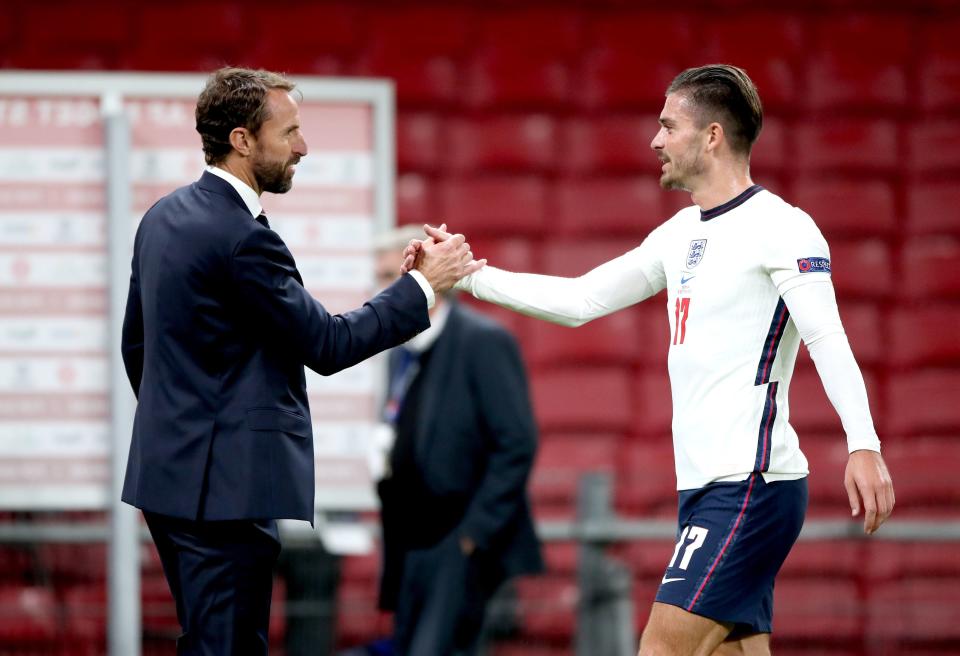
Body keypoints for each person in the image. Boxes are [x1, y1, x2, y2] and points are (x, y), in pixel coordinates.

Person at [404, 64, 895, 656]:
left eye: (668, 126)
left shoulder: (784, 228)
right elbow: (581, 299)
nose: (655, 141)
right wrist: (469, 276)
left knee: (659, 649)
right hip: (708, 487)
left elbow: (828, 338)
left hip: (751, 485)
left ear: (711, 136)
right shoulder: (679, 234)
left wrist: (863, 444)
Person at [120, 67, 480, 656]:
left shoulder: (163, 217)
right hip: (228, 491)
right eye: (288, 132)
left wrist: (184, 430)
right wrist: (419, 287)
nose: (302, 147)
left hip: (172, 480)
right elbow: (329, 346)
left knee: (209, 642)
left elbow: (138, 349)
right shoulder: (242, 237)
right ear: (241, 140)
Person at [370, 225, 544, 656]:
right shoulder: (401, 350)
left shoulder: (484, 341)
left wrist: (472, 535)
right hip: (410, 541)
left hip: (458, 544)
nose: (380, 288)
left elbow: (516, 443)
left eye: (392, 274)